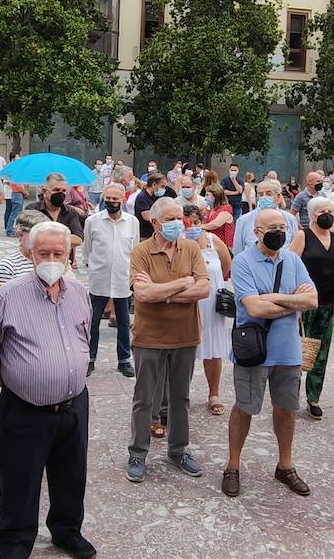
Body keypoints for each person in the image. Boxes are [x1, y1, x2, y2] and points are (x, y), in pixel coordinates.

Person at [0, 221, 95, 559]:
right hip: (25, 408)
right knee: (20, 481)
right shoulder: (9, 295)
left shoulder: (78, 292)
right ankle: (13, 547)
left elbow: (83, 335)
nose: (51, 260)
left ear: (69, 255)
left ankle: (66, 531)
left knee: (71, 475)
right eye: (44, 253)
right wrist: (12, 381)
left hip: (74, 404)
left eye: (59, 254)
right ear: (29, 252)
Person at [222, 207, 318, 498]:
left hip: (288, 349)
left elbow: (312, 300)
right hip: (254, 349)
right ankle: (233, 466)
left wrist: (273, 297)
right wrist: (292, 302)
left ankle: (285, 465)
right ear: (256, 233)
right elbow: (253, 307)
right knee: (245, 406)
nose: (278, 233)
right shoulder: (243, 262)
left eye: (282, 227)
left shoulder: (293, 260)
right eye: (271, 228)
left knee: (286, 408)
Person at [125, 198, 209, 483]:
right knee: (144, 398)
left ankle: (178, 450)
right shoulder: (141, 252)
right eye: (170, 219)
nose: (178, 224)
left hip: (185, 335)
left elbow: (204, 288)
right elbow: (143, 295)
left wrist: (165, 293)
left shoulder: (192, 248)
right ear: (155, 222)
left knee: (180, 397)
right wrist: (182, 284)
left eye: (180, 218)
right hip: (149, 337)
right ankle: (137, 452)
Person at [291, 195, 334, 421]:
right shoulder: (303, 236)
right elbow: (291, 266)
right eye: (322, 211)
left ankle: (314, 397)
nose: (327, 215)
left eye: (330, 211)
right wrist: (295, 301)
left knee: (321, 353)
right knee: (299, 350)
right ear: (312, 215)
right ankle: (290, 395)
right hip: (305, 303)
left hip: (328, 302)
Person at [180, 202, 232, 418]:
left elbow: (226, 264)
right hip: (188, 302)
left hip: (211, 302)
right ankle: (181, 393)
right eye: (188, 223)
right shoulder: (179, 243)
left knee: (213, 349)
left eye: (197, 222)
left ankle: (214, 393)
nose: (192, 226)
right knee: (185, 349)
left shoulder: (212, 240)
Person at [81, 182, 138, 378]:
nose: (112, 202)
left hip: (123, 278)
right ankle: (89, 359)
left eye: (115, 199)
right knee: (93, 321)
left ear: (122, 200)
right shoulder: (93, 221)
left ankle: (124, 360)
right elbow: (87, 249)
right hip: (99, 278)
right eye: (108, 198)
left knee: (123, 321)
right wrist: (92, 265)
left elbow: (135, 249)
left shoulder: (132, 222)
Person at [234, 178, 299, 255]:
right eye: (261, 194)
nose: (264, 197)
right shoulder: (244, 221)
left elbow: (295, 249)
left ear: (278, 197)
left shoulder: (290, 219)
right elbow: (237, 251)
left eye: (269, 194)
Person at [30, 173, 85, 249]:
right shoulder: (32, 210)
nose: (60, 193)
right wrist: (66, 237)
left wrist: (45, 236)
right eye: (56, 190)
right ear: (44, 191)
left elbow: (78, 239)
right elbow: (29, 237)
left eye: (64, 191)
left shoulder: (70, 212)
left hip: (64, 260)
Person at [0, 209, 47, 283]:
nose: (41, 240)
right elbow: (4, 293)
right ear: (19, 235)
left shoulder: (51, 260)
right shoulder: (9, 266)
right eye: (34, 235)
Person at [201, 183, 234, 248]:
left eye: (207, 195)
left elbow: (215, 224)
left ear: (216, 196)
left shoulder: (226, 208)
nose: (205, 198)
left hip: (224, 247)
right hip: (211, 245)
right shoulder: (209, 209)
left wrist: (199, 227)